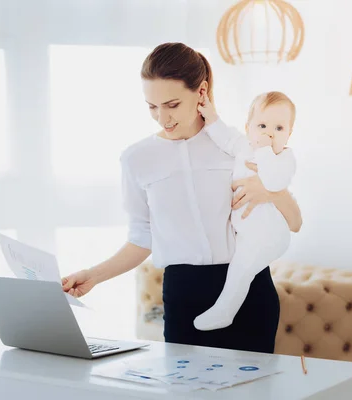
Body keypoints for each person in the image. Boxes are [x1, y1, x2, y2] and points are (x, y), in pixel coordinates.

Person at [61, 42, 302, 354]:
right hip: (183, 295)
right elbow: (141, 238)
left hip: (249, 291)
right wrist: (93, 276)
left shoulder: (234, 146)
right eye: (152, 107)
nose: (163, 118)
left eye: (172, 104)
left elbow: (294, 222)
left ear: (201, 93)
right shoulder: (137, 159)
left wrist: (271, 191)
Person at [193, 91, 297, 331]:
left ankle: (224, 311)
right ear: (248, 127)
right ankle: (224, 310)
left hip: (269, 235)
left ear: (289, 134)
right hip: (248, 233)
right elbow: (225, 136)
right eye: (262, 125)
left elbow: (273, 182)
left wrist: (264, 151)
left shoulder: (284, 158)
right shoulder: (243, 147)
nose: (269, 134)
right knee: (240, 268)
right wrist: (209, 114)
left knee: (240, 270)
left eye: (279, 128)